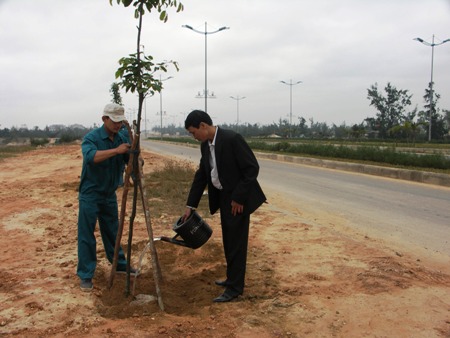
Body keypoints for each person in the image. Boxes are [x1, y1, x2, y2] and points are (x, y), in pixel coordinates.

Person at [182, 110, 266, 302]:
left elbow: (252, 168)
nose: (193, 136)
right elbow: (202, 175)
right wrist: (190, 206)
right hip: (224, 198)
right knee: (229, 240)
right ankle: (231, 278)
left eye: (193, 132)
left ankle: (235, 288)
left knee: (237, 242)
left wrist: (238, 198)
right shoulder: (206, 146)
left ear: (203, 126)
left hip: (238, 200)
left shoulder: (231, 139)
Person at [77, 103, 136, 292]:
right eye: (114, 121)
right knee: (87, 234)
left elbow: (130, 161)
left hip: (109, 194)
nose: (118, 125)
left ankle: (119, 264)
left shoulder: (123, 137)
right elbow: (91, 157)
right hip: (90, 194)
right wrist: (116, 151)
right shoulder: (92, 138)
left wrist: (135, 159)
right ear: (104, 119)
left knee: (112, 231)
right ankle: (86, 275)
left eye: (120, 121)